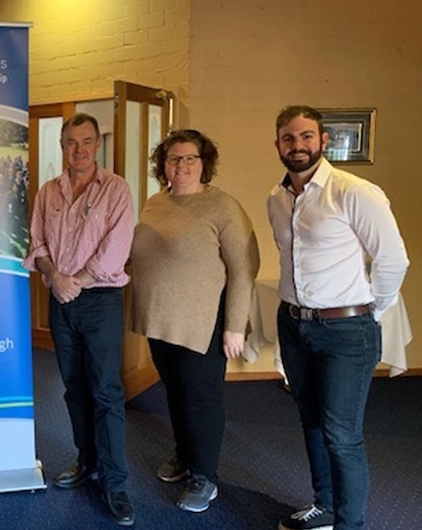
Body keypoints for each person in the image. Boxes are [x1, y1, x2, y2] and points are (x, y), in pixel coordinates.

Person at [268, 105, 409, 530]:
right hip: (294, 324)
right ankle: (325, 506)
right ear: (277, 144)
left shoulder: (354, 192)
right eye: (289, 138)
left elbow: (393, 260)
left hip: (346, 330)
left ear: (324, 141)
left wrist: (371, 312)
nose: (298, 145)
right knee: (310, 420)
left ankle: (350, 524)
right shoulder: (276, 198)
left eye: (307, 136)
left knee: (341, 434)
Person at [130, 129, 259, 513]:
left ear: (204, 163)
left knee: (201, 400)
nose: (181, 166)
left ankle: (205, 476)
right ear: (162, 165)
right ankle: (185, 455)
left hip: (203, 322)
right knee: (176, 392)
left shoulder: (223, 207)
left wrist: (235, 325)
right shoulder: (155, 202)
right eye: (174, 159)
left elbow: (245, 269)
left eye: (190, 159)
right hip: (160, 320)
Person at [22, 113, 135, 527]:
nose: (80, 150)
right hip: (61, 300)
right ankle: (87, 462)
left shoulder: (117, 189)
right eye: (71, 142)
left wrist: (77, 281)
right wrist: (54, 277)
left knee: (105, 390)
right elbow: (38, 243)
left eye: (87, 141)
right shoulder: (49, 191)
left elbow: (116, 248)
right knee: (73, 388)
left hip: (100, 300)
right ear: (63, 147)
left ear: (98, 145)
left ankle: (116, 482)